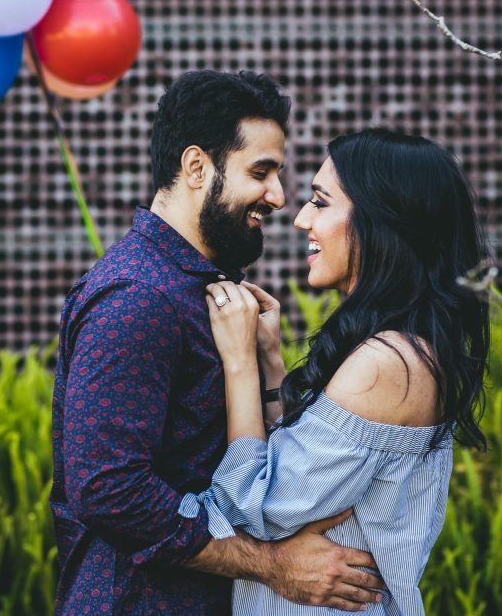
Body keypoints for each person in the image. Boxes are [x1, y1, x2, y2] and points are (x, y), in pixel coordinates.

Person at [50, 71, 387, 615]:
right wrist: (270, 563)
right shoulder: (138, 298)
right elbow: (108, 488)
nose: (278, 196)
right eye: (261, 172)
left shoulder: (200, 290)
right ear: (196, 167)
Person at [192, 128, 491, 614]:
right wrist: (269, 359)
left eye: (321, 202)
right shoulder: (400, 349)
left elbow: (255, 508)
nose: (301, 219)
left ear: (382, 222)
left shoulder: (388, 364)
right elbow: (289, 467)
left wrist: (239, 364)